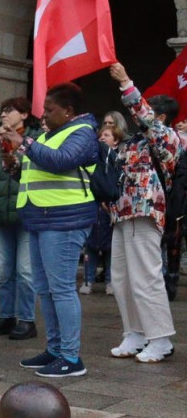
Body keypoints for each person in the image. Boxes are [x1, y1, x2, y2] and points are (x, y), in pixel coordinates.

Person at [8, 82, 99, 377]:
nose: (44, 115)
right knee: (44, 289)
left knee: (61, 289)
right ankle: (55, 349)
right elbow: (37, 170)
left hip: (65, 219)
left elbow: (61, 162)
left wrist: (26, 143)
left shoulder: (82, 132)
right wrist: (14, 162)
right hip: (41, 216)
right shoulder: (52, 133)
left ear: (69, 111)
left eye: (50, 110)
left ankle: (71, 358)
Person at [105, 62, 179, 362]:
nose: (140, 116)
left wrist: (125, 82)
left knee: (145, 278)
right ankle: (134, 332)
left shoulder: (168, 140)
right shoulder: (133, 143)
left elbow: (144, 116)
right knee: (122, 278)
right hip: (121, 214)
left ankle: (160, 338)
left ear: (161, 118)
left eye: (150, 111)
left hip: (145, 212)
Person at [0, 101, 42, 342]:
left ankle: (26, 320)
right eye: (2, 111)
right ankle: (7, 316)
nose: (4, 114)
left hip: (25, 213)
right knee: (5, 271)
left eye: (9, 111)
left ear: (24, 115)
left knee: (25, 271)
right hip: (1, 213)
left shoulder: (33, 143)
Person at [81, 125, 117, 296]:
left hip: (108, 209)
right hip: (93, 208)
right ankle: (88, 280)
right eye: (100, 135)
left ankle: (110, 280)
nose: (102, 138)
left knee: (110, 249)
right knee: (91, 247)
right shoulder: (93, 158)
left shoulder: (115, 158)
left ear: (115, 140)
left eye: (107, 135)